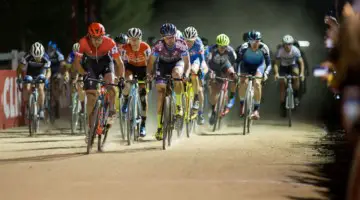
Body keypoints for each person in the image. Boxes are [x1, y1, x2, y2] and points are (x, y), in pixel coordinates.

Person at [73, 22, 125, 134]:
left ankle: (111, 110)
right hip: (90, 65)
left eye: (99, 38)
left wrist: (121, 78)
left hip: (106, 64)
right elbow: (77, 63)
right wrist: (83, 73)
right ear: (89, 36)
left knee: (110, 85)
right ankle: (91, 128)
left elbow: (119, 63)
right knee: (91, 97)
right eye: (94, 38)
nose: (97, 41)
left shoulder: (110, 42)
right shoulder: (83, 42)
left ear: (103, 36)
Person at [146, 23, 190, 140]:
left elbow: (187, 63)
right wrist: (149, 74)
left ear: (176, 35)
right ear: (162, 37)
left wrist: (185, 74)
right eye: (166, 37)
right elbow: (151, 62)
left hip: (177, 63)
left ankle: (179, 106)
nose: (169, 40)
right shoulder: (158, 45)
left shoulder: (181, 44)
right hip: (163, 65)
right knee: (160, 91)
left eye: (171, 37)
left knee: (176, 74)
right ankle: (160, 127)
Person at [121, 27, 151, 137]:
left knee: (143, 96)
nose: (133, 42)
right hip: (131, 67)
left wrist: (149, 75)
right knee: (127, 83)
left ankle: (143, 124)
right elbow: (122, 64)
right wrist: (121, 76)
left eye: (136, 39)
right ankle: (125, 100)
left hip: (143, 69)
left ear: (140, 39)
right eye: (131, 39)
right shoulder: (125, 47)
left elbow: (150, 63)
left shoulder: (145, 47)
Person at [236, 30, 271, 119]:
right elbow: (238, 62)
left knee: (257, 84)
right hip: (246, 66)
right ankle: (242, 105)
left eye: (257, 41)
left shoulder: (264, 48)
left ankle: (256, 110)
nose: (255, 43)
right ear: (248, 41)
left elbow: (269, 64)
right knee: (242, 82)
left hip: (259, 66)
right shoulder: (244, 47)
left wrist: (266, 73)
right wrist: (237, 73)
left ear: (260, 40)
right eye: (252, 41)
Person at [206, 34, 237, 125]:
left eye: (225, 47)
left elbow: (234, 64)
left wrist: (233, 75)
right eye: (220, 46)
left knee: (234, 76)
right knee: (214, 90)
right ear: (217, 44)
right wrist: (210, 72)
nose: (222, 48)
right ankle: (213, 110)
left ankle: (232, 94)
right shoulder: (211, 50)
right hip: (214, 68)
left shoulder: (231, 51)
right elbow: (206, 64)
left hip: (225, 66)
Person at [16, 42, 51, 119]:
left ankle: (41, 109)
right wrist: (19, 78)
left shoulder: (46, 57)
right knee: (27, 87)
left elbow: (48, 71)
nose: (37, 59)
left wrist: (47, 79)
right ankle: (28, 106)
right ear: (31, 53)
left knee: (41, 88)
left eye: (39, 57)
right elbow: (19, 69)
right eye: (35, 57)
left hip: (41, 72)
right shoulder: (27, 56)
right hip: (30, 73)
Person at [274, 35, 305, 116]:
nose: (288, 46)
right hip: (283, 67)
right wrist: (276, 73)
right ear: (283, 44)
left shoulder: (295, 50)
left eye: (290, 44)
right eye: (286, 44)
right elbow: (276, 63)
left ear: (292, 44)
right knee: (282, 84)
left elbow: (301, 63)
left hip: (292, 65)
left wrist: (302, 73)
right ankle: (282, 105)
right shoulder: (280, 51)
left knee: (296, 74)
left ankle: (295, 94)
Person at [183, 26, 208, 125]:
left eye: (191, 41)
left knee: (194, 74)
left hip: (196, 60)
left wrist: (200, 71)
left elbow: (202, 59)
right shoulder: (180, 42)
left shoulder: (198, 43)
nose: (188, 43)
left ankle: (199, 108)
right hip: (185, 61)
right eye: (186, 41)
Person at [47, 41, 66, 118]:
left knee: (57, 80)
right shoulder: (46, 54)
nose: (50, 49)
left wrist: (60, 73)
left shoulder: (58, 54)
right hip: (48, 71)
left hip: (56, 71)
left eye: (51, 48)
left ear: (54, 49)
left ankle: (58, 94)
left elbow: (62, 65)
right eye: (49, 48)